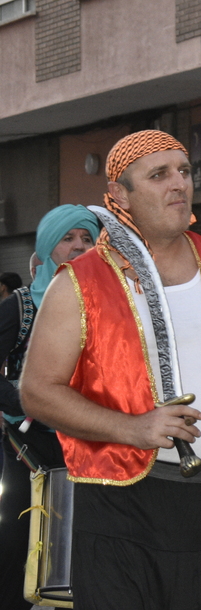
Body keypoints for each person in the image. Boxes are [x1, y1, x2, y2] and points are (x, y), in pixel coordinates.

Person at [21, 130, 201, 610]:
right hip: (120, 506)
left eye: (184, 171)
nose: (179, 184)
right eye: (159, 175)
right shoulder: (82, 282)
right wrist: (132, 427)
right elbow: (37, 391)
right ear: (119, 195)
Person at [0, 205, 99, 610]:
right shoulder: (19, 307)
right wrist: (26, 402)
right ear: (47, 245)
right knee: (17, 550)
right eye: (68, 238)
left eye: (87, 238)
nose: (78, 247)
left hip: (92, 447)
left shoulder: (111, 304)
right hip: (29, 449)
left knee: (88, 558)